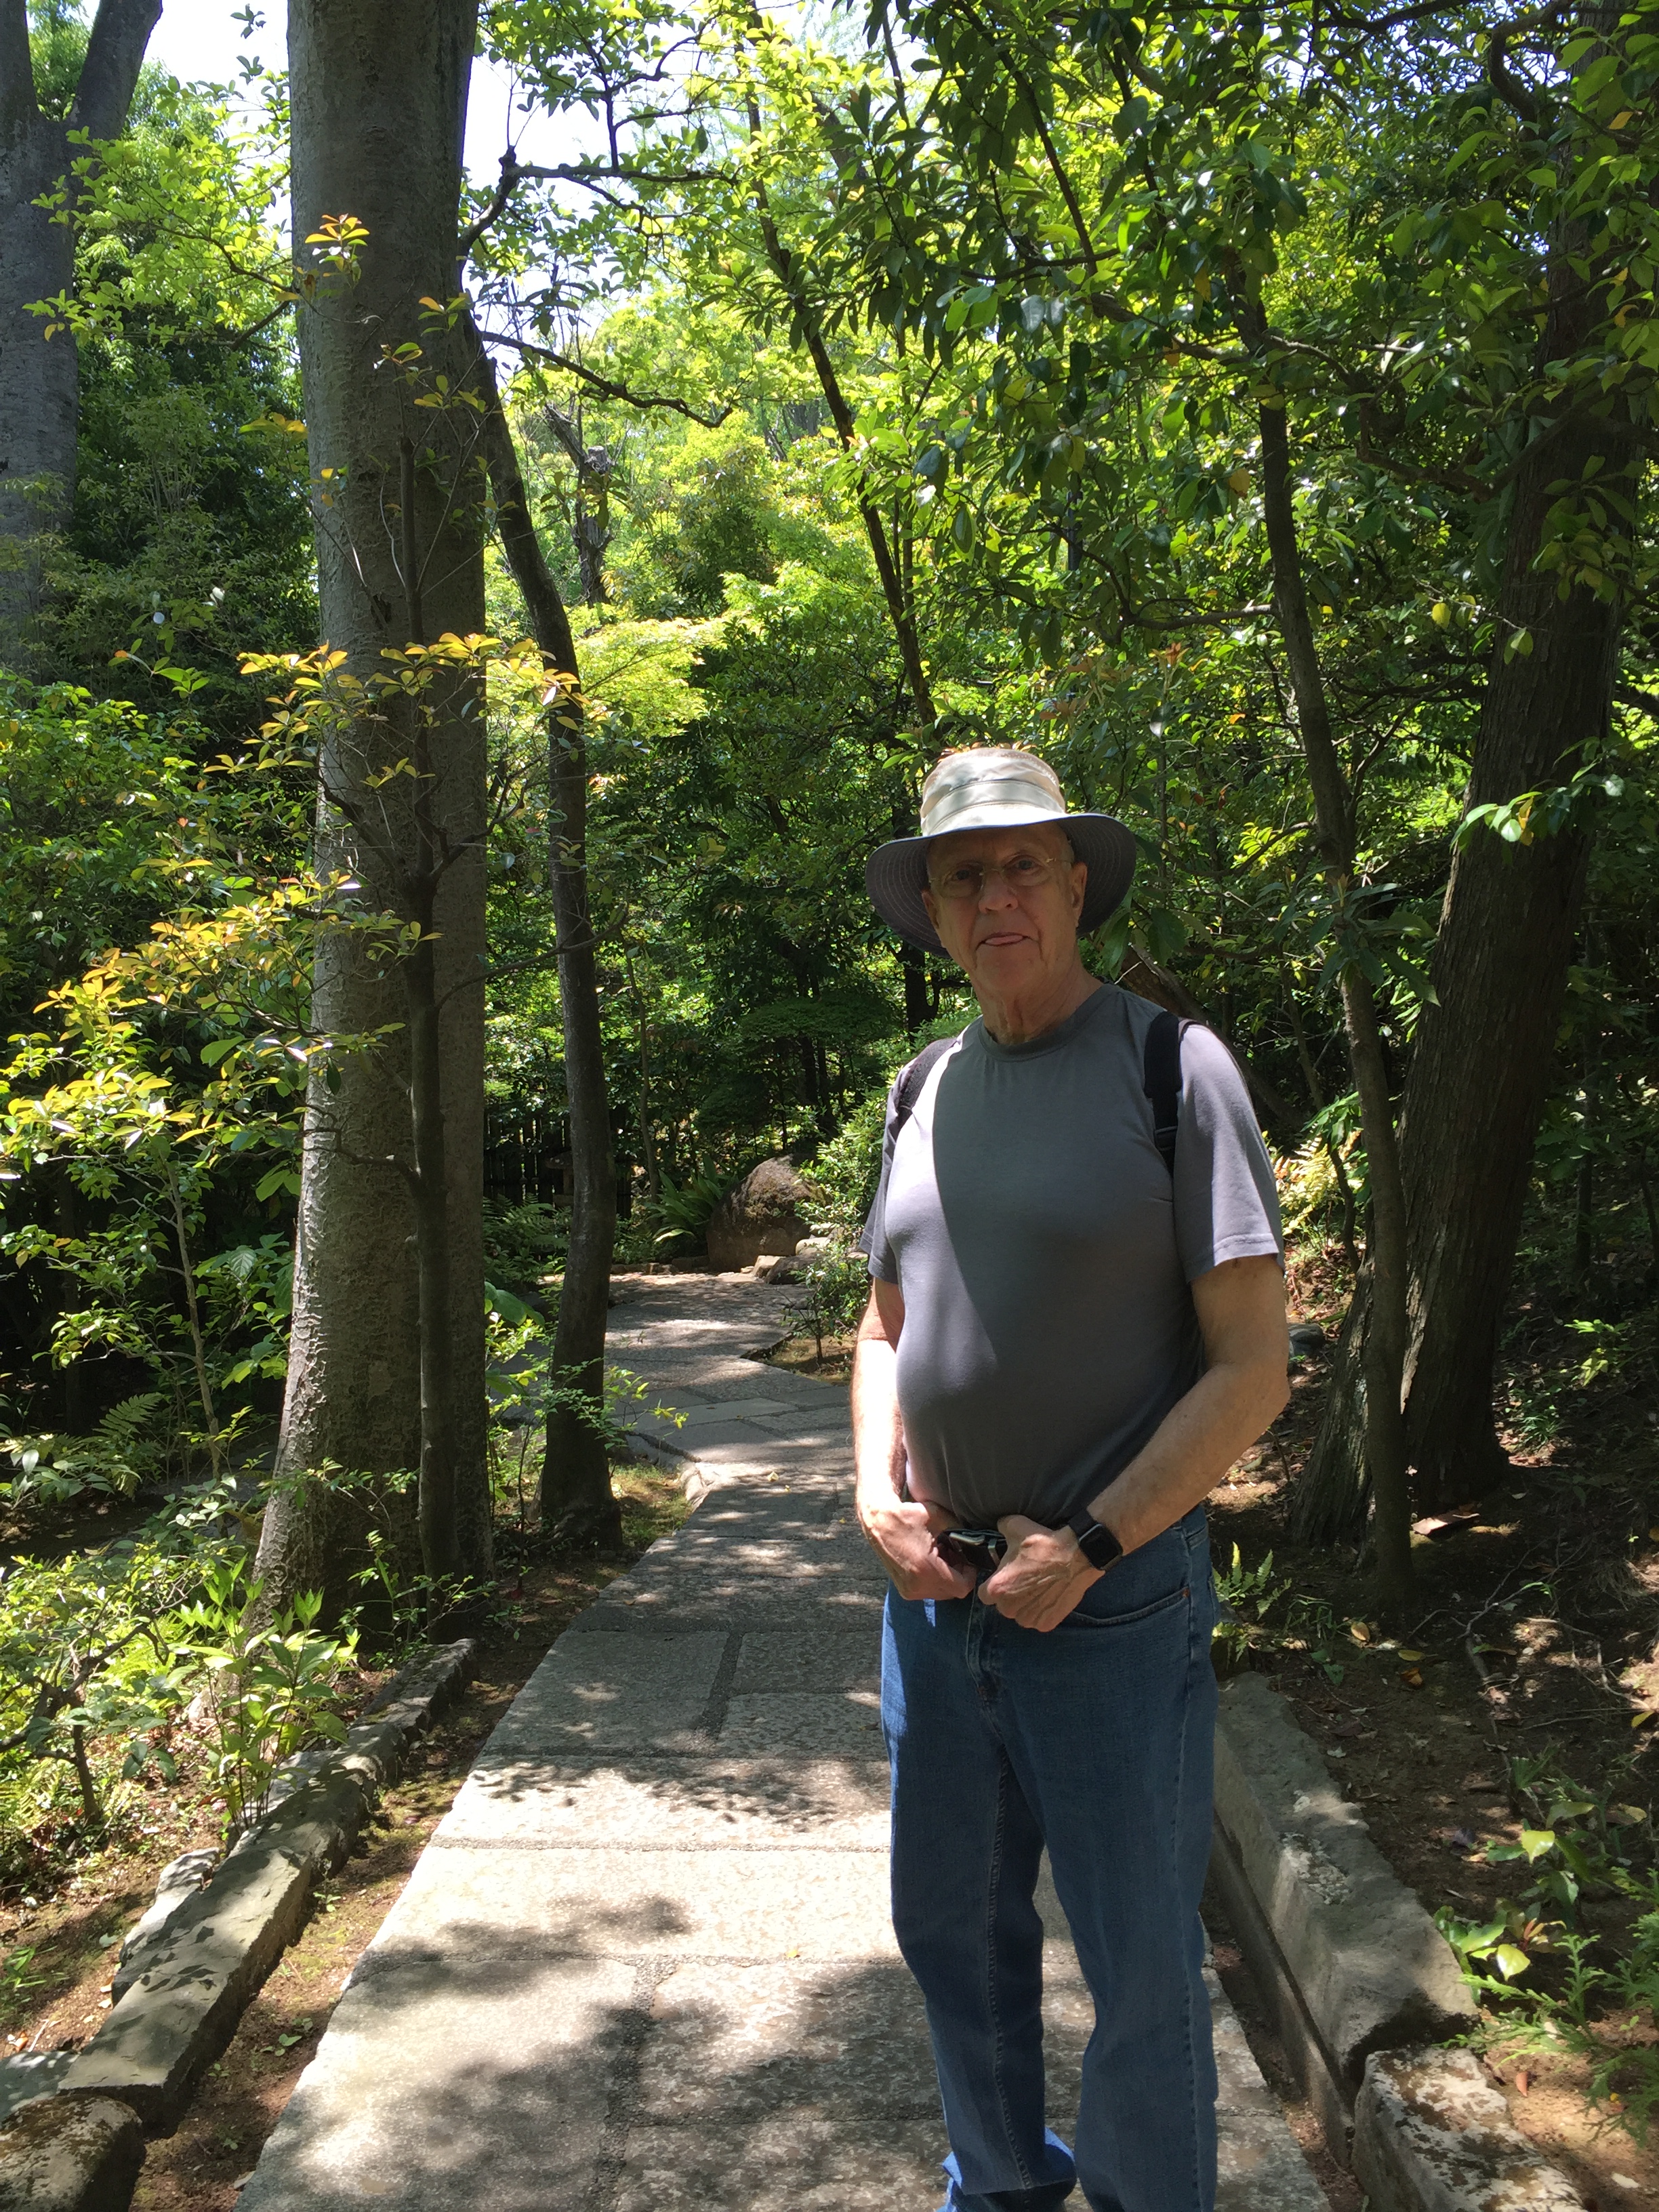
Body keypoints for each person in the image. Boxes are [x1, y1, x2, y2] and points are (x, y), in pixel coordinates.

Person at [853, 745, 1289, 2212]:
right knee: (951, 1939)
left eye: (1022, 864)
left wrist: (1092, 1545)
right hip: (936, 1609)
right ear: (932, 909)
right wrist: (873, 1494)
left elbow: (1253, 1369)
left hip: (1111, 1610)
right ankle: (997, 2188)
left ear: (1077, 883)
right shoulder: (922, 1088)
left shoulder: (1174, 1069)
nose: (995, 895)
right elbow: (881, 1328)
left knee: (1142, 1971)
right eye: (962, 874)